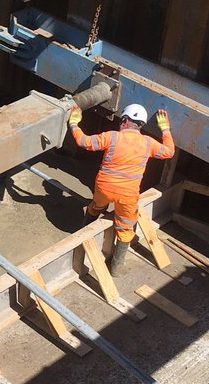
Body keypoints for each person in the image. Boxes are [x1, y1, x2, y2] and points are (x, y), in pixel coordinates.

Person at [69, 102, 174, 272]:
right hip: (127, 194)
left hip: (104, 189)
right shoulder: (148, 143)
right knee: (126, 227)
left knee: (95, 207)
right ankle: (115, 268)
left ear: (125, 120)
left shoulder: (112, 137)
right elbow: (169, 152)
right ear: (140, 125)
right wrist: (165, 129)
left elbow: (83, 142)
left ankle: (81, 236)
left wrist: (74, 124)